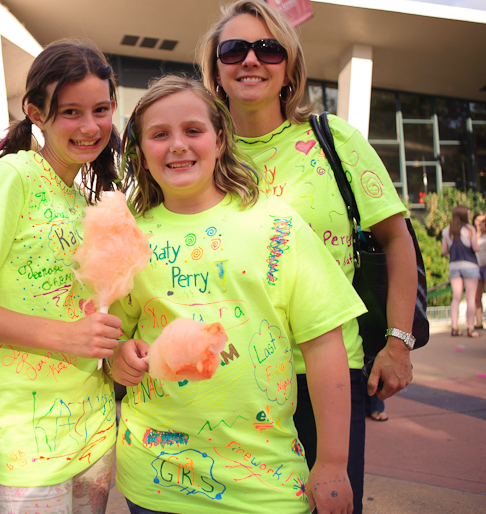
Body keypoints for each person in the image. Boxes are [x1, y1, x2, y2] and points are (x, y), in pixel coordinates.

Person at [198, 0, 418, 514]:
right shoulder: (201, 151)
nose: (251, 60)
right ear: (216, 70)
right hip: (230, 377)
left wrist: (399, 343)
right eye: (234, 50)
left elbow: (396, 239)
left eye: (268, 48)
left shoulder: (333, 139)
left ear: (289, 65)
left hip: (327, 377)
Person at [111, 75, 363, 514]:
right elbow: (112, 336)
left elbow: (324, 345)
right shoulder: (126, 237)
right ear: (142, 155)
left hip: (265, 482)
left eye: (193, 130)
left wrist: (333, 463)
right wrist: (118, 357)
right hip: (155, 477)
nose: (177, 145)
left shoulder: (276, 224)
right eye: (159, 134)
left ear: (220, 139)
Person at [0, 40, 122, 513]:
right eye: (71, 112)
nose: (90, 126)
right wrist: (67, 336)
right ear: (36, 113)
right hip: (28, 438)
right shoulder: (11, 178)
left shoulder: (81, 200)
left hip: (94, 426)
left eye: (100, 110)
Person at [442, 205, 480, 337]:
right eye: (468, 214)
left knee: (456, 297)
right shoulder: (470, 229)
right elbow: (475, 247)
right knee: (470, 297)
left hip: (454, 265)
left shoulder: (447, 231)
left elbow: (444, 251)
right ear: (463, 215)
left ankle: (454, 327)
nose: (469, 216)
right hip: (470, 265)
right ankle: (470, 328)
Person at [472, 211, 486, 329]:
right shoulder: (471, 234)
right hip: (476, 268)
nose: (481, 223)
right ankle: (479, 322)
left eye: (483, 221)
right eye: (479, 220)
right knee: (477, 296)